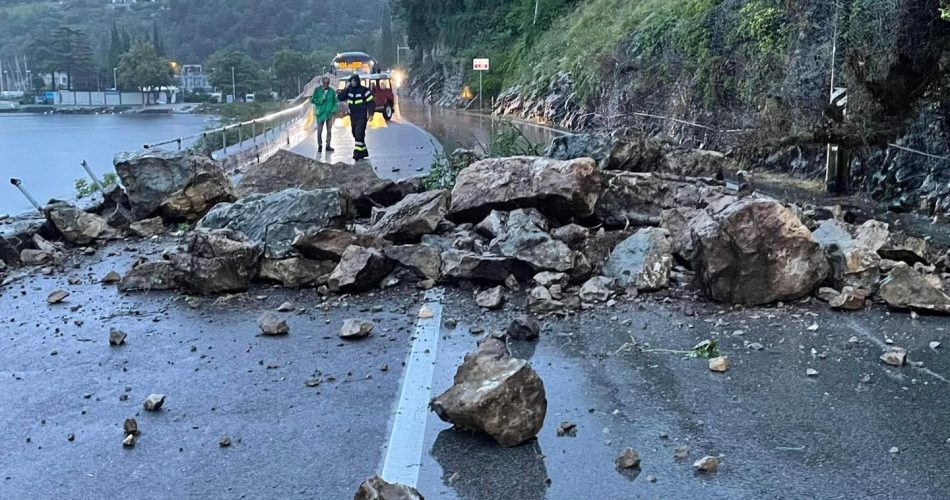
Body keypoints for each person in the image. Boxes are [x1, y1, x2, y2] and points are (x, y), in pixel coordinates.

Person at [339, 74, 374, 160]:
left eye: (354, 81)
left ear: (357, 81)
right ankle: (363, 151)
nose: (352, 83)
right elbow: (340, 97)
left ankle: (357, 153)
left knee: (359, 133)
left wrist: (371, 113)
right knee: (354, 133)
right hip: (353, 115)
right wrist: (346, 88)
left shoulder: (364, 90)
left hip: (362, 115)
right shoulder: (349, 90)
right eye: (351, 81)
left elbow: (371, 102)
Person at [310, 76, 337, 153]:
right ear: (322, 83)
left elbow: (335, 102)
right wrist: (320, 99)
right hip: (320, 114)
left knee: (329, 131)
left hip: (329, 114)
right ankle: (320, 145)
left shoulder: (332, 91)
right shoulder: (317, 90)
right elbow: (312, 100)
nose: (326, 84)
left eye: (327, 83)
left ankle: (328, 145)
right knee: (319, 131)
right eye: (324, 83)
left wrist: (333, 109)